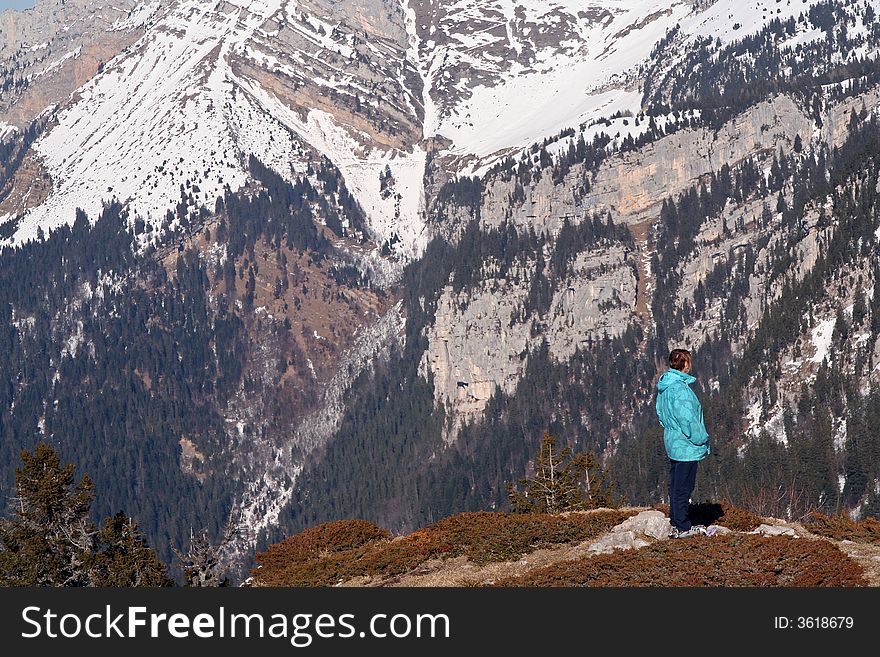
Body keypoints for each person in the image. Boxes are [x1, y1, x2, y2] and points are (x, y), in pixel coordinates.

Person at [655, 348, 712, 539]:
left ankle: (677, 521)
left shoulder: (666, 386)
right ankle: (682, 526)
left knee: (676, 484)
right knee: (684, 486)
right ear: (685, 365)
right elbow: (688, 419)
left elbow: (661, 414)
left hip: (672, 440)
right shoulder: (679, 389)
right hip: (686, 445)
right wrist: (701, 438)